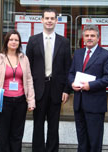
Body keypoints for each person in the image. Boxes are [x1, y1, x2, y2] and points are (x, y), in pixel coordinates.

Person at [26, 8, 71, 152]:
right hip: (38, 88)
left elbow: (67, 68)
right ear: (42, 20)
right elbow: (28, 68)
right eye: (47, 18)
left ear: (56, 21)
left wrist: (66, 89)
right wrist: (29, 90)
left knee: (54, 124)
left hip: (56, 88)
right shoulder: (33, 40)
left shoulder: (64, 41)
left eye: (52, 18)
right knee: (38, 124)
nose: (49, 21)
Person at [0, 29, 35, 152]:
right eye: (11, 39)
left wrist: (31, 101)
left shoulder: (24, 59)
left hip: (20, 102)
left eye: (16, 40)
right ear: (6, 41)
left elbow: (29, 80)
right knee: (2, 136)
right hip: (2, 102)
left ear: (19, 42)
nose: (13, 42)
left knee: (17, 135)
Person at [68, 24, 108, 152]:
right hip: (79, 104)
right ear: (83, 37)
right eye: (87, 35)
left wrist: (91, 86)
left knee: (95, 140)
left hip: (95, 104)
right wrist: (72, 83)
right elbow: (71, 73)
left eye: (92, 36)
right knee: (81, 139)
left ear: (98, 38)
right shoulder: (78, 53)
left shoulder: (106, 55)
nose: (89, 38)